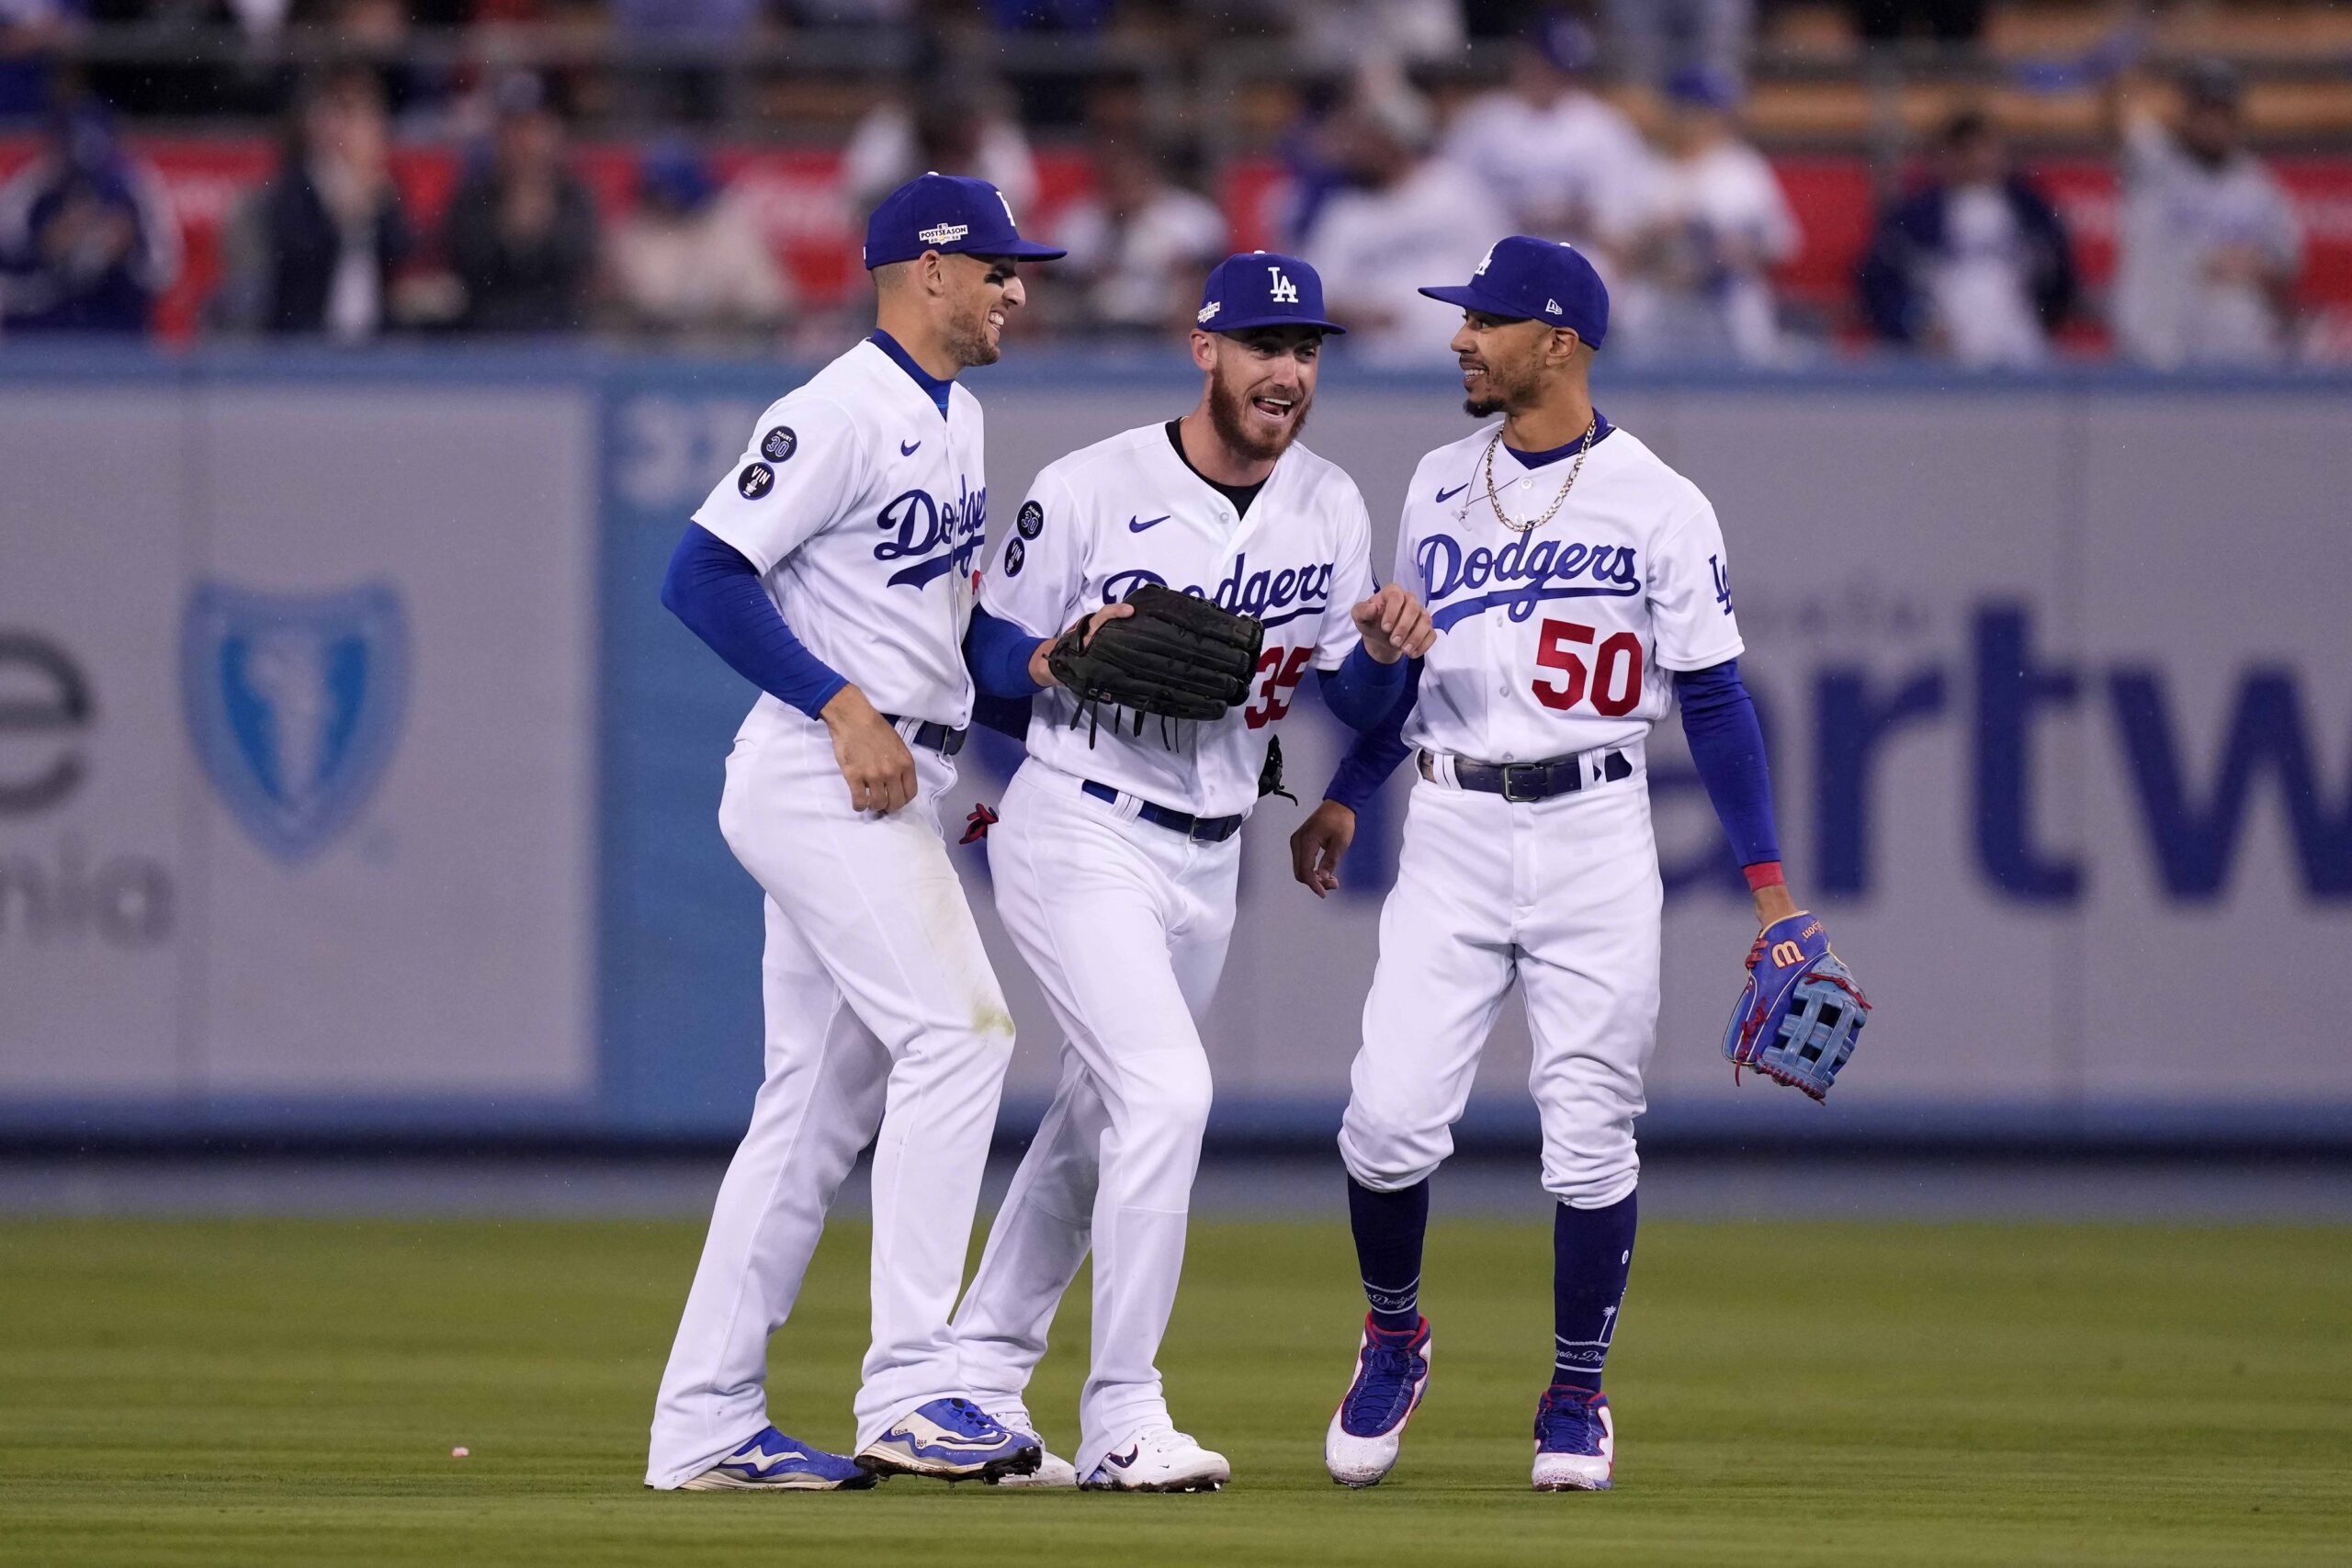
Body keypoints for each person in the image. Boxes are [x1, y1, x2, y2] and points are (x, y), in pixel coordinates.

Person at [1290, 235, 1837, 1490]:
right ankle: (1393, 1333)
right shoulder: (1437, 479)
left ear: (1561, 341)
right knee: (1383, 1125)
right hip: (1454, 825)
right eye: (1462, 317)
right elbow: (1405, 674)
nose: (1460, 339)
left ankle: (1578, 1391)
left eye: (1484, 319)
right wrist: (1343, 793)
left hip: (1595, 831)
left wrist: (1773, 894)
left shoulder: (1657, 499)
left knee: (1591, 1138)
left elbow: (1715, 704)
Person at [951, 253, 1435, 1492]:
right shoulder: (1093, 484)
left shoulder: (1328, 502)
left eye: (1309, 347)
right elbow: (982, 641)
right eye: (1266, 343)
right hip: (1080, 818)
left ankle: (974, 1380)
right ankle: (1123, 1412)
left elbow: (1352, 691)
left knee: (1099, 1121)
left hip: (1211, 851)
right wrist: (1053, 659)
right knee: (1166, 1091)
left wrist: (1381, 654)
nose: (1290, 368)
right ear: (1205, 348)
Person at [644, 174, 1067, 1494]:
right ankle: (915, 1382)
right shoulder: (834, 410)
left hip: (893, 772)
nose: (1016, 287)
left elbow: (945, 631)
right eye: (997, 265)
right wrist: (838, 703)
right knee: (961, 1034)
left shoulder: (964, 416)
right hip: (826, 773)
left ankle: (705, 1422)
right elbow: (701, 571)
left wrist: (1048, 658)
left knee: (813, 1113)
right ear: (928, 270)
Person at [1299, 76, 1510, 367]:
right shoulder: (1344, 213)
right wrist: (1359, 314)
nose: (1358, 148)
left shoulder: (1453, 187)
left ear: (1393, 139)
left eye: (1369, 138)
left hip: (1465, 361)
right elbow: (1317, 299)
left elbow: (1502, 266)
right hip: (1378, 374)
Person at [2111, 61, 2302, 368]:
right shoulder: (2154, 159)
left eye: (2222, 112)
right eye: (2204, 111)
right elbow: (2116, 114)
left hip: (2236, 357)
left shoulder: (2257, 184)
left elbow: (2287, 262)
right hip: (2153, 354)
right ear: (2185, 113)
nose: (2213, 123)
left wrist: (2251, 264)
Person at [1856, 108, 2076, 367]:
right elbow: (1879, 282)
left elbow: (2060, 276)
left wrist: (2042, 316)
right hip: (1941, 351)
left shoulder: (2030, 209)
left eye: (1984, 149)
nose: (1977, 160)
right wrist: (1918, 323)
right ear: (1945, 156)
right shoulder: (1914, 216)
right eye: (1964, 151)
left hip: (2020, 345)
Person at [1611, 66, 1797, 364]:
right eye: (1700, 111)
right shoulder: (1643, 168)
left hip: (1726, 302)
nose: (1712, 121)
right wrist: (1656, 236)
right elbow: (1618, 249)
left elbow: (1781, 244)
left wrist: (1732, 248)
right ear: (1676, 112)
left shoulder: (1743, 167)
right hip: (1661, 301)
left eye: (1715, 111)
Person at [215, 65, 413, 340]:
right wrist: (339, 214)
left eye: (372, 117)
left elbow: (402, 260)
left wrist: (371, 213)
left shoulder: (385, 195)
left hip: (374, 354)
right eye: (350, 115)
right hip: (299, 353)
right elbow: (290, 274)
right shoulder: (283, 195)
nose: (369, 131)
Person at [1442, 12, 1651, 265]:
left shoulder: (1603, 125)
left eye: (1564, 71)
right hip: (1496, 257)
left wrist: (1584, 219)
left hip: (1579, 260)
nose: (1551, 78)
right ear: (1525, 60)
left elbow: (1621, 217)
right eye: (1546, 66)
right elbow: (1449, 197)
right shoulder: (1482, 122)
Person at [0, 101, 178, 334]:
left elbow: (162, 273)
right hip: (39, 329)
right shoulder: (32, 188)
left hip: (116, 327)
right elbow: (8, 275)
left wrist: (127, 253)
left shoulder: (134, 186)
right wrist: (44, 249)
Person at [441, 73, 597, 334]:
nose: (525, 142)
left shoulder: (574, 197)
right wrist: (513, 215)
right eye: (515, 129)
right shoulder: (472, 197)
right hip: (486, 338)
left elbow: (574, 265)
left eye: (535, 128)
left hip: (559, 337)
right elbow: (473, 265)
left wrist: (539, 203)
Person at [607, 139, 792, 344]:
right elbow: (642, 302)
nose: (664, 200)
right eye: (658, 190)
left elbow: (770, 303)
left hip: (731, 348)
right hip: (656, 349)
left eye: (669, 191)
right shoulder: (636, 229)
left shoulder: (730, 223)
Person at [1052, 141, 1227, 339]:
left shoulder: (1191, 217)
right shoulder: (1078, 221)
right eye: (1117, 180)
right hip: (1091, 321)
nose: (1126, 188)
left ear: (1150, 176)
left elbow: (1216, 275)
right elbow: (1059, 279)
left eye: (1133, 179)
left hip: (1164, 320)